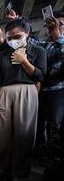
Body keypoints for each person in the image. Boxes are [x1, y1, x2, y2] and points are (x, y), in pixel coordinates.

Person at [0, 17, 47, 179]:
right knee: (1, 132)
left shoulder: (38, 51)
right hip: (4, 92)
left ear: (27, 33)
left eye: (17, 37)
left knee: (24, 133)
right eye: (10, 38)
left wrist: (24, 61)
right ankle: (0, 165)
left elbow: (40, 75)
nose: (13, 40)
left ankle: (20, 171)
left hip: (28, 92)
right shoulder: (3, 54)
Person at [36, 11, 64, 148]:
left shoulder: (61, 44)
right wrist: (17, 21)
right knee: (39, 124)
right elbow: (28, 41)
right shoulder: (45, 46)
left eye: (60, 24)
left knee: (55, 125)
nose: (56, 27)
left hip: (59, 91)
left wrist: (57, 36)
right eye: (53, 24)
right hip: (42, 91)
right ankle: (40, 154)